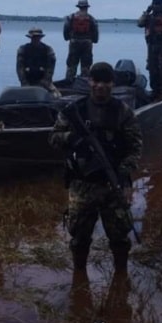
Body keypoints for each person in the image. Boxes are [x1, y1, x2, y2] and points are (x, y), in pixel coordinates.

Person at [49, 62, 143, 275]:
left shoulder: (123, 112)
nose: (100, 86)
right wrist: (73, 138)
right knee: (79, 237)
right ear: (89, 82)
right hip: (82, 184)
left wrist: (123, 175)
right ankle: (79, 279)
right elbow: (53, 138)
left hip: (113, 185)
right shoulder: (75, 110)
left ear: (113, 83)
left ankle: (121, 277)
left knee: (120, 237)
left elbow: (135, 147)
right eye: (96, 81)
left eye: (106, 81)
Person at [63, 0, 99, 83]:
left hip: (74, 42)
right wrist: (94, 40)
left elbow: (66, 28)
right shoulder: (91, 18)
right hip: (87, 43)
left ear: (78, 7)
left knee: (71, 64)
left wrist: (67, 38)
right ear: (87, 7)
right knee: (86, 65)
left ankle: (69, 82)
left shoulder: (71, 17)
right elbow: (95, 31)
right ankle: (84, 83)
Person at [16, 27, 59, 96]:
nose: (35, 39)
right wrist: (24, 82)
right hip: (28, 80)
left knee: (56, 96)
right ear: (30, 38)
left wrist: (45, 81)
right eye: (33, 37)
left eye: (37, 37)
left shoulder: (48, 49)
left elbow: (50, 68)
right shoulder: (23, 49)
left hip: (44, 80)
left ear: (40, 37)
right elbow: (20, 68)